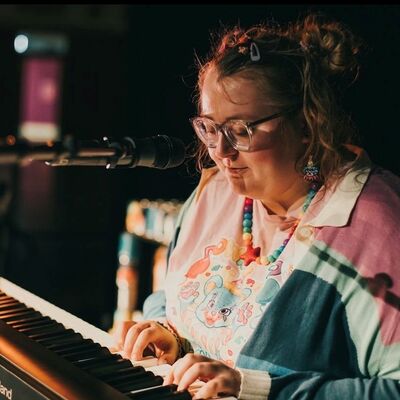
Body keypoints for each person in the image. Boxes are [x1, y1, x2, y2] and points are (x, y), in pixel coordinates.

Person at [113, 13, 400, 399]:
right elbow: (174, 298)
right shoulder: (216, 192)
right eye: (209, 128)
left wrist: (259, 390)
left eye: (241, 130)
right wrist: (167, 333)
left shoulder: (375, 224)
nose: (220, 151)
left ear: (306, 124)